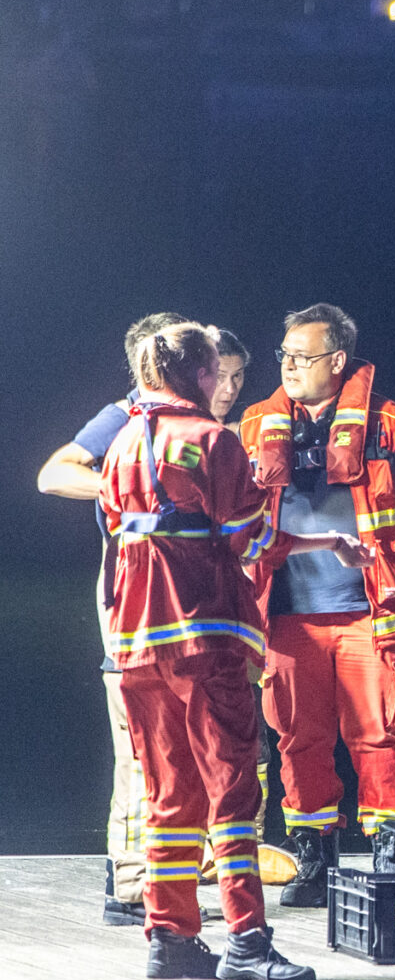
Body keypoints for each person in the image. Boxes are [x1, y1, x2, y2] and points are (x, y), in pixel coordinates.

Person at [99, 323, 359, 980]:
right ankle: (246, 939)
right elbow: (251, 537)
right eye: (218, 371)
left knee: (166, 795)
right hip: (205, 638)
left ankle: (171, 936)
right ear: (199, 374)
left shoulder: (125, 439)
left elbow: (114, 526)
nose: (224, 383)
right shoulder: (211, 441)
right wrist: (324, 540)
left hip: (135, 645)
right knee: (232, 794)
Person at [238, 304, 395, 899]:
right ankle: (314, 856)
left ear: (337, 361)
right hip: (283, 615)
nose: (288, 366)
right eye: (283, 355)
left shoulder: (386, 422)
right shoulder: (255, 425)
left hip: (369, 610)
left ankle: (390, 849)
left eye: (301, 357)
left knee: (378, 732)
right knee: (297, 737)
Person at [37, 311, 192, 925]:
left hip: (196, 602)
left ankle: (178, 882)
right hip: (133, 599)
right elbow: (52, 473)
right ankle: (127, 884)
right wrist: (123, 483)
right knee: (137, 743)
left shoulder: (199, 421)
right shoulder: (123, 417)